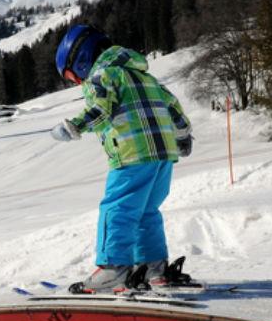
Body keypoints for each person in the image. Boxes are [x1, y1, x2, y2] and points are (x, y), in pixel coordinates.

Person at [50, 25, 194, 293]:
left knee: (117, 209)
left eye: (72, 77)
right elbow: (173, 106)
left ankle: (113, 269)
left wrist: (73, 127)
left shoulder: (100, 77)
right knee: (146, 212)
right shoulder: (145, 77)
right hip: (162, 156)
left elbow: (101, 110)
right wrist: (183, 135)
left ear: (80, 61)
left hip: (131, 153)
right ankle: (154, 270)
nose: (77, 82)